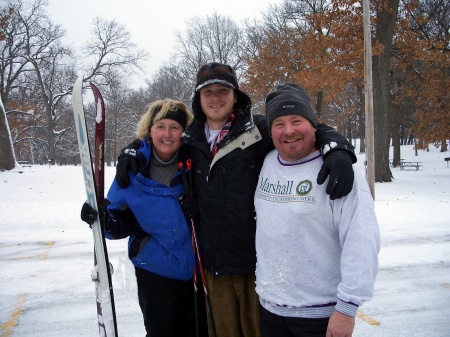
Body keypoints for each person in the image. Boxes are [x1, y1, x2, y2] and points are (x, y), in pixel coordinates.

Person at [115, 62, 358, 337]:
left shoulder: (258, 130)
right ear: (199, 98)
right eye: (208, 92)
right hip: (214, 267)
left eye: (223, 91)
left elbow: (306, 127)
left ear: (235, 95)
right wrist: (130, 151)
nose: (215, 98)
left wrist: (337, 150)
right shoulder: (190, 139)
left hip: (257, 267)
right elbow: (156, 141)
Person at [254, 83, 380, 337]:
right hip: (270, 309)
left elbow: (361, 241)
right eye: (279, 124)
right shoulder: (266, 161)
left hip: (320, 314)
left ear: (313, 124)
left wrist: (347, 309)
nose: (288, 131)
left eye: (297, 120)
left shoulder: (339, 172)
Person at [80, 99, 208, 337]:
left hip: (199, 271)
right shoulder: (131, 169)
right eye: (160, 126)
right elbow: (119, 223)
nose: (167, 134)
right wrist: (101, 218)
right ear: (150, 130)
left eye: (174, 127)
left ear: (184, 131)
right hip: (155, 272)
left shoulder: (198, 162)